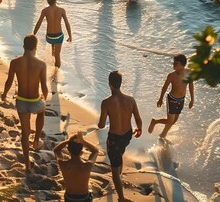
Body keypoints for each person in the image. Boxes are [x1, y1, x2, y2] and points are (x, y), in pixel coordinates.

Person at [2, 34, 48, 172]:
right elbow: (44, 86)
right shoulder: (41, 64)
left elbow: (9, 81)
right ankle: (36, 140)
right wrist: (44, 97)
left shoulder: (15, 62)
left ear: (23, 46)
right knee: (42, 111)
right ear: (36, 47)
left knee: (24, 132)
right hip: (35, 101)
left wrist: (4, 94)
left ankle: (27, 165)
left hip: (21, 101)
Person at [98, 71, 142, 202]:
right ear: (120, 84)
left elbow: (100, 125)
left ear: (110, 85)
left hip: (114, 138)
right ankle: (119, 176)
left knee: (115, 168)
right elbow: (138, 119)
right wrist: (139, 129)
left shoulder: (106, 102)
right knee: (119, 154)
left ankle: (121, 198)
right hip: (127, 136)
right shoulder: (131, 100)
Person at [148, 53, 194, 139]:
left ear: (182, 65)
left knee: (173, 121)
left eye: (176, 64)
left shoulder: (189, 73)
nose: (173, 65)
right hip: (172, 99)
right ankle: (161, 132)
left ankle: (158, 126)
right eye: (173, 63)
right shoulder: (171, 75)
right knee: (170, 121)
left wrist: (192, 100)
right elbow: (164, 87)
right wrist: (160, 99)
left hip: (181, 100)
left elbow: (191, 86)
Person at [54, 131, 99, 202]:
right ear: (81, 151)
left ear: (68, 150)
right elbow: (95, 151)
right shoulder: (87, 166)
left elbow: (56, 150)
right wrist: (83, 141)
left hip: (69, 198)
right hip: (84, 198)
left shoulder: (63, 164)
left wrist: (68, 141)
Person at [33, 0, 72, 68]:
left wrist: (33, 34)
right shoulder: (61, 10)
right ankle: (56, 73)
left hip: (49, 37)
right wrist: (70, 35)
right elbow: (67, 24)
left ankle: (53, 51)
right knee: (58, 55)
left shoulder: (45, 10)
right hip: (58, 37)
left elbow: (39, 23)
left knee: (53, 44)